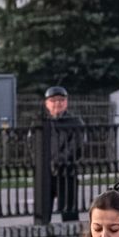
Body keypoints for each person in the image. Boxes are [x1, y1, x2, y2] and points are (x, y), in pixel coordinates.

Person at [43, 86, 87, 222]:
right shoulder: (41, 122)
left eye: (61, 100)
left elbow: (76, 146)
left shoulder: (75, 122)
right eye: (53, 100)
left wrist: (58, 161)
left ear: (66, 102)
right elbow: (33, 144)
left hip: (67, 171)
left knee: (69, 213)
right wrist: (45, 162)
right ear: (46, 103)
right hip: (45, 173)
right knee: (42, 214)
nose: (57, 103)